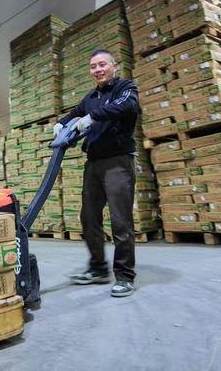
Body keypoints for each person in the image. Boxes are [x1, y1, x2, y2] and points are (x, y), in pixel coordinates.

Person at [53, 49, 139, 297]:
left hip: (117, 161)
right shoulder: (90, 97)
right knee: (88, 218)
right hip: (93, 163)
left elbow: (126, 106)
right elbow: (75, 114)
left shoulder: (125, 88)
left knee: (120, 221)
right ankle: (98, 268)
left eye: (102, 64)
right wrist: (61, 123)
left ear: (114, 66)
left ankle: (125, 276)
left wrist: (92, 117)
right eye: (93, 66)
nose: (98, 69)